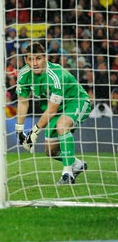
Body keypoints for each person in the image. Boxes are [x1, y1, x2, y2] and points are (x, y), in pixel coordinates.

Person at [15, 41, 91, 185]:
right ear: (26, 60)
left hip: (76, 101)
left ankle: (68, 174)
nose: (35, 63)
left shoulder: (56, 75)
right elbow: (23, 101)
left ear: (45, 58)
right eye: (31, 59)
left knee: (62, 126)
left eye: (38, 58)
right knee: (51, 151)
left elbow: (51, 109)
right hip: (57, 109)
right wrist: (19, 129)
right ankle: (77, 164)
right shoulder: (24, 75)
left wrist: (35, 131)